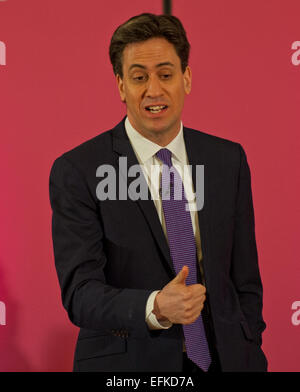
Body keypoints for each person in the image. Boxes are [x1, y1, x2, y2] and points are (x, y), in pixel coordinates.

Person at [49, 13, 268, 372]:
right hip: (129, 366)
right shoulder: (79, 170)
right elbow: (81, 294)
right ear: (121, 86)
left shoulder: (228, 160)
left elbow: (245, 278)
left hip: (226, 361)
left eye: (165, 75)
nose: (153, 90)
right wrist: (156, 307)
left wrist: (249, 346)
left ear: (186, 78)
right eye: (138, 77)